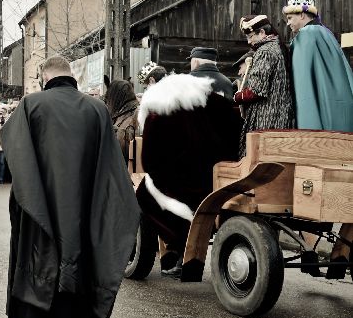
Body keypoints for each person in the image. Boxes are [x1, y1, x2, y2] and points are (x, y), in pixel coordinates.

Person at [1, 55, 139, 318]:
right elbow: (110, 165)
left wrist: (28, 197)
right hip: (85, 204)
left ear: (44, 76)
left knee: (44, 256)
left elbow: (18, 155)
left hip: (44, 202)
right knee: (84, 254)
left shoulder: (31, 105)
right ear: (70, 75)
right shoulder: (98, 109)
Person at [135, 73, 241, 278]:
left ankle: (176, 249)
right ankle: (178, 255)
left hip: (181, 181)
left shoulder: (159, 107)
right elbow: (236, 130)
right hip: (221, 176)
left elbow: (149, 157)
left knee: (145, 196)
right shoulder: (215, 101)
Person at [283, 0, 353, 131]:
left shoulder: (306, 34)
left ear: (302, 15)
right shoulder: (325, 32)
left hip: (317, 116)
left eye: (290, 18)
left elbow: (303, 82)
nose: (288, 23)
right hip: (338, 106)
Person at [235, 15, 295, 157]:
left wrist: (239, 96)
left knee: (258, 158)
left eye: (250, 36)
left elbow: (256, 90)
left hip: (266, 117)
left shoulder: (265, 52)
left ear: (262, 33)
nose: (249, 41)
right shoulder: (277, 47)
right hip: (280, 114)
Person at [104, 79, 139, 164]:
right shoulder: (121, 113)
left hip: (129, 169)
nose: (107, 102)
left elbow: (133, 145)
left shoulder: (136, 114)